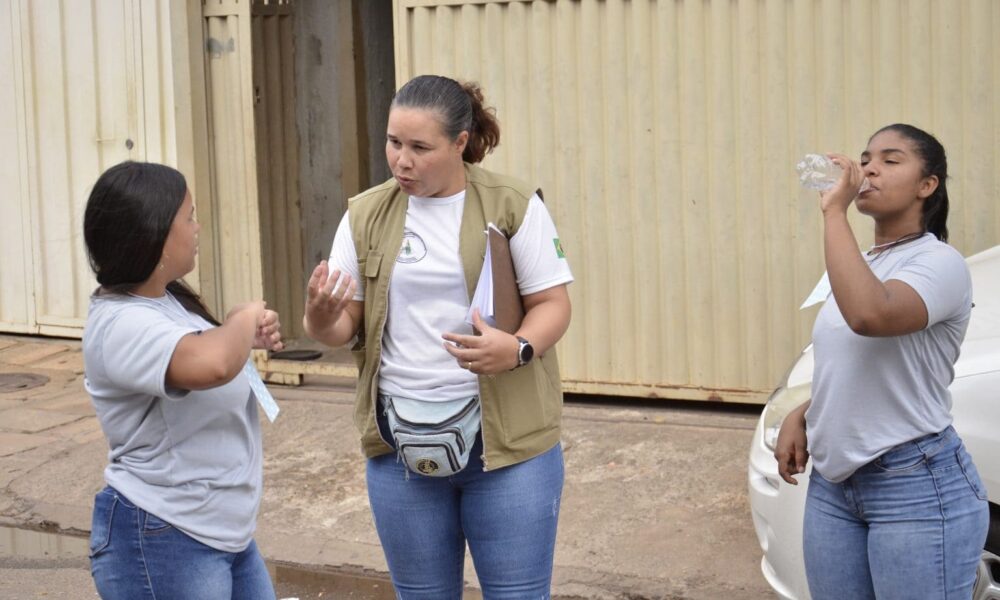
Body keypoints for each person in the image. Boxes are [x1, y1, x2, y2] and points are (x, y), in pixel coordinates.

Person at [304, 74, 573, 598]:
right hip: (399, 446)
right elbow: (342, 327)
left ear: (460, 142)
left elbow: (553, 305)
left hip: (508, 451)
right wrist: (319, 315)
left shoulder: (512, 204)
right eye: (393, 142)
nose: (401, 161)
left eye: (419, 147)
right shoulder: (365, 214)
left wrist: (515, 349)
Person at [775, 124, 989, 599]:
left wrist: (834, 213)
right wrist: (806, 412)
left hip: (914, 484)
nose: (869, 168)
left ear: (926, 185)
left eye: (891, 161)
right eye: (866, 157)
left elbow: (870, 317)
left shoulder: (940, 263)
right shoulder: (864, 261)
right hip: (835, 485)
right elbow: (860, 363)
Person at [82, 161, 284, 600]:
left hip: (221, 534)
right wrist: (243, 317)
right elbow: (211, 364)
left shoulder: (168, 301)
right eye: (188, 216)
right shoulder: (120, 323)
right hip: (164, 538)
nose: (198, 227)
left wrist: (241, 336)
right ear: (154, 235)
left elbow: (215, 355)